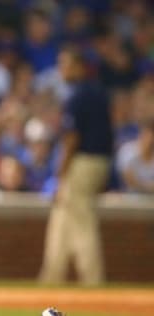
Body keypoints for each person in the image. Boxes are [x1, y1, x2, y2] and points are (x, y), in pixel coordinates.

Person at [39, 45, 113, 286]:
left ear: (80, 67)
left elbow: (72, 139)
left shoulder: (77, 95)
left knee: (81, 220)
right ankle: (52, 276)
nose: (62, 70)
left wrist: (61, 170)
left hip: (82, 161)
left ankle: (92, 280)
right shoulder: (98, 91)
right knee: (62, 216)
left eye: (66, 64)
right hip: (98, 161)